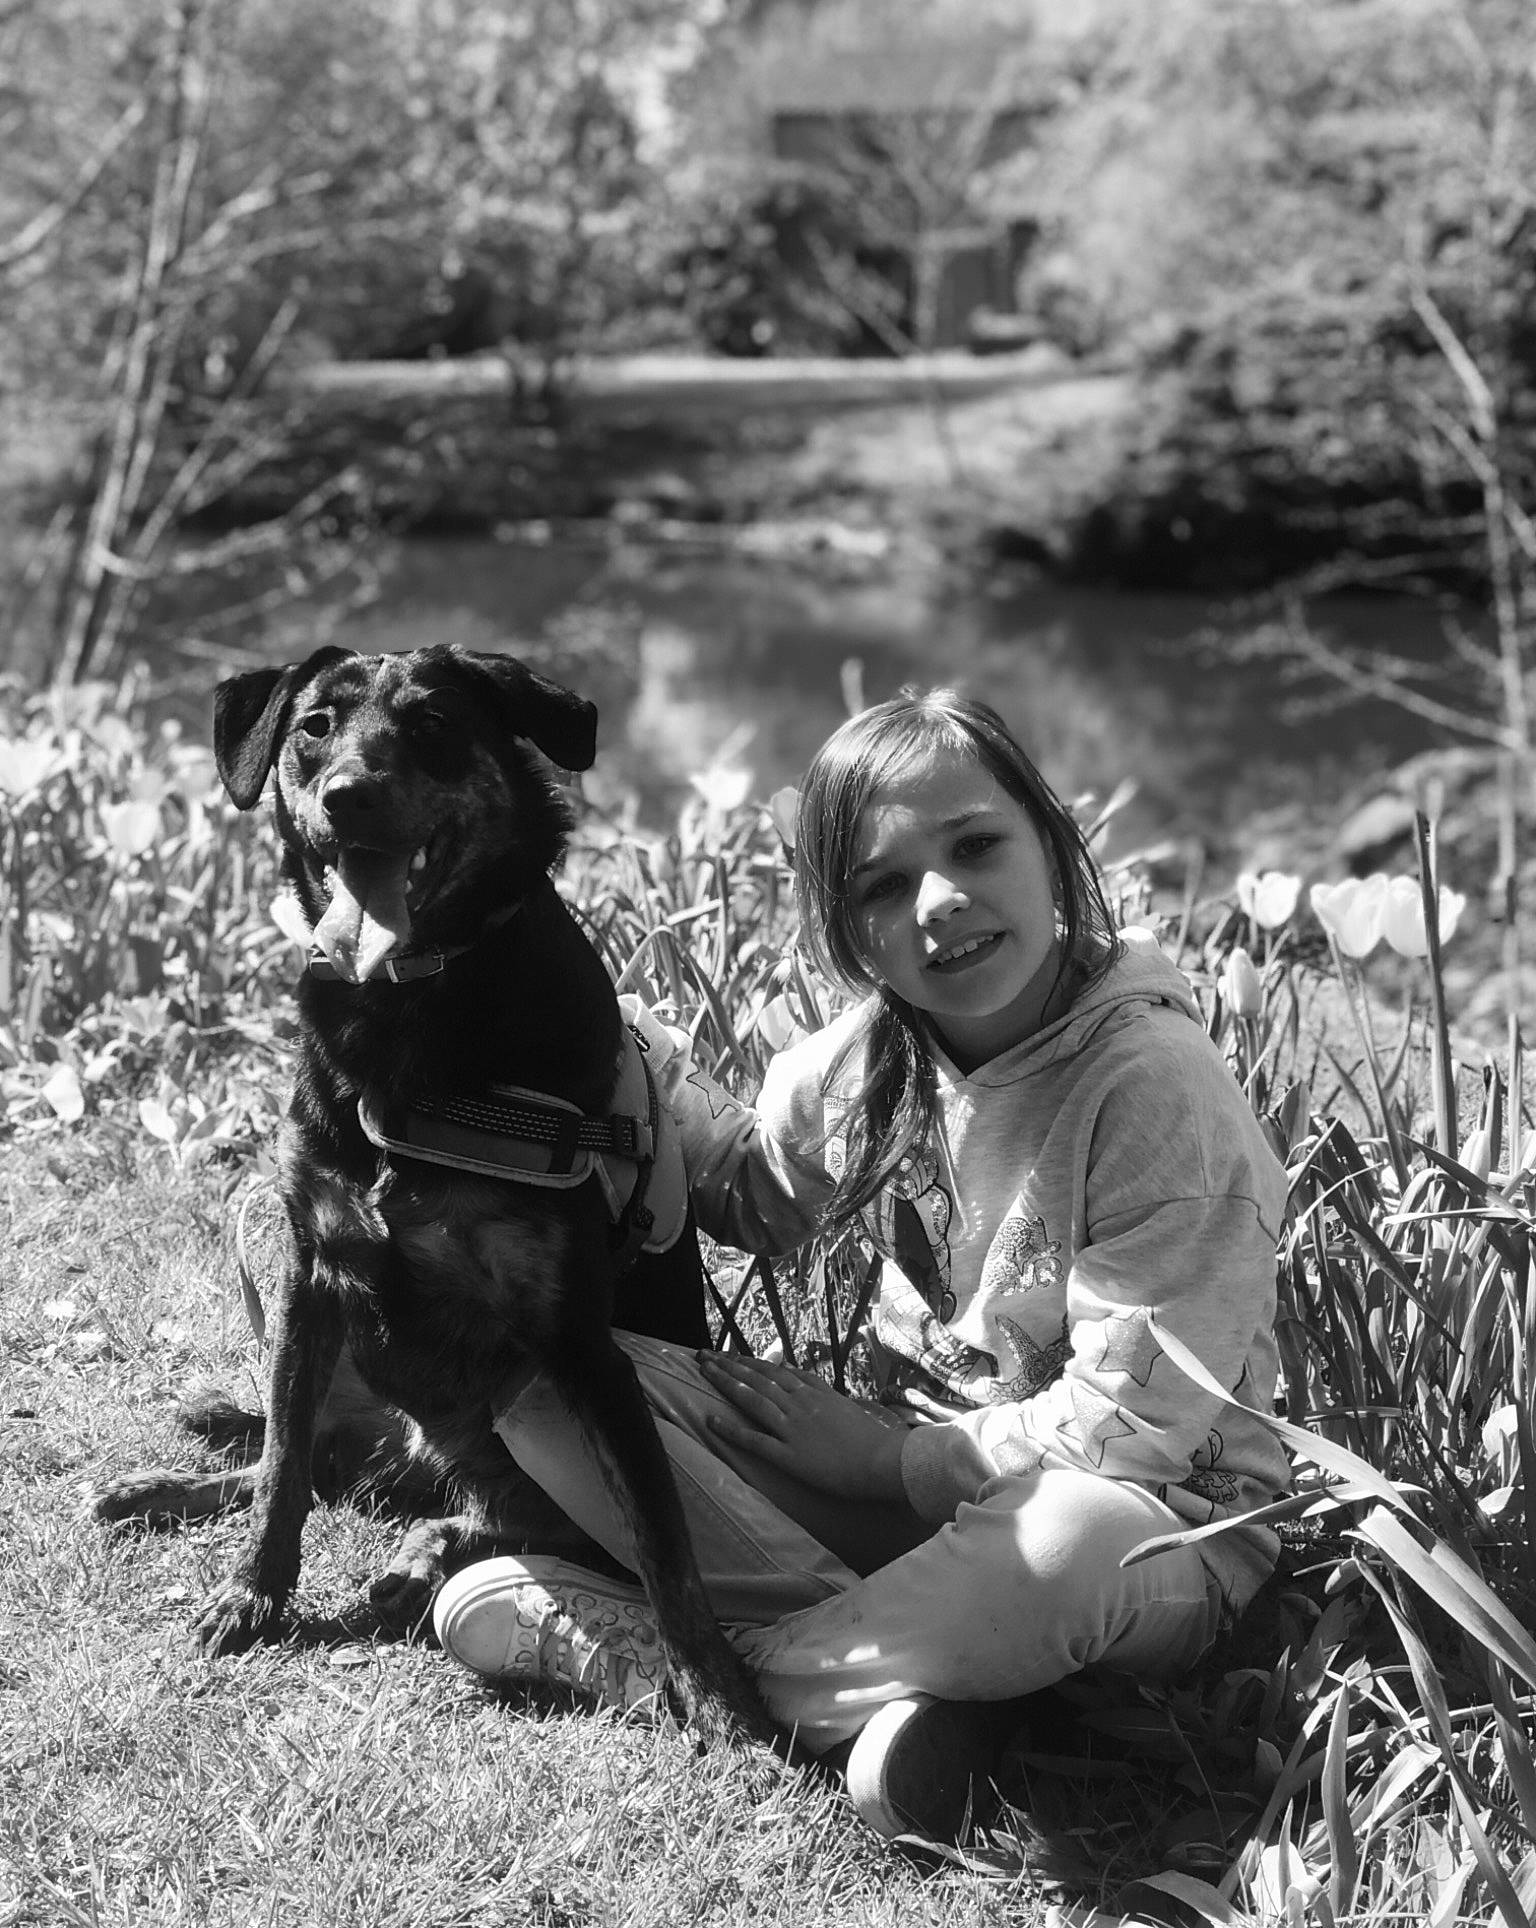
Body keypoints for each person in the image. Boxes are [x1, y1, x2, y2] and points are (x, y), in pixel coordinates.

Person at [432, 687, 1292, 1843]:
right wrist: (617, 1051)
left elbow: (1133, 1430)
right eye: (882, 885)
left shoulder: (1153, 1085)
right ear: (848, 928)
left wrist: (893, 1459)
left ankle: (683, 1664)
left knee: (1061, 1541)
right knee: (544, 1378)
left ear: (1050, 842)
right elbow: (753, 1189)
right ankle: (932, 1692)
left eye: (976, 845)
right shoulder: (872, 1059)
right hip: (909, 1506)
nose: (940, 903)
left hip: (1159, 1531)